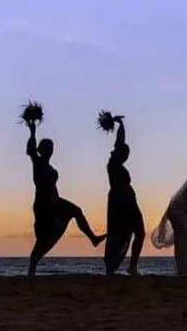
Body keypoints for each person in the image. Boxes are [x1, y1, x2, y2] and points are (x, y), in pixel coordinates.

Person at [25, 120, 105, 276]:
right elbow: (30, 150)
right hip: (43, 205)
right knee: (42, 240)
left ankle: (93, 238)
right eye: (47, 148)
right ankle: (31, 270)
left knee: (76, 211)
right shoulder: (38, 163)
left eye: (51, 148)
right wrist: (33, 132)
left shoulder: (48, 167)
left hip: (55, 202)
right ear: (41, 150)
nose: (51, 150)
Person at [104, 115, 146, 275]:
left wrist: (121, 123)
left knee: (139, 232)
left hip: (129, 201)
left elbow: (120, 142)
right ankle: (112, 267)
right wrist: (120, 126)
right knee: (117, 235)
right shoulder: (113, 164)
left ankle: (132, 266)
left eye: (128, 154)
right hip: (120, 203)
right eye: (125, 153)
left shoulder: (118, 165)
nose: (126, 156)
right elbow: (120, 141)